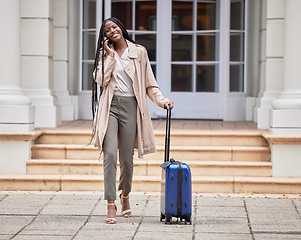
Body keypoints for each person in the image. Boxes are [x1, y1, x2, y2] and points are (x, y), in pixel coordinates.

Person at [91, 17, 173, 224]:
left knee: (127, 159)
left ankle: (124, 195)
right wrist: (110, 57)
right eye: (107, 30)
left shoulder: (139, 52)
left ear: (121, 28)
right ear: (105, 36)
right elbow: (100, 80)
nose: (112, 31)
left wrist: (162, 101)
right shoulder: (104, 55)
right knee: (109, 154)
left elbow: (149, 83)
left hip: (131, 107)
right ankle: (111, 203)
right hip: (110, 107)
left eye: (114, 27)